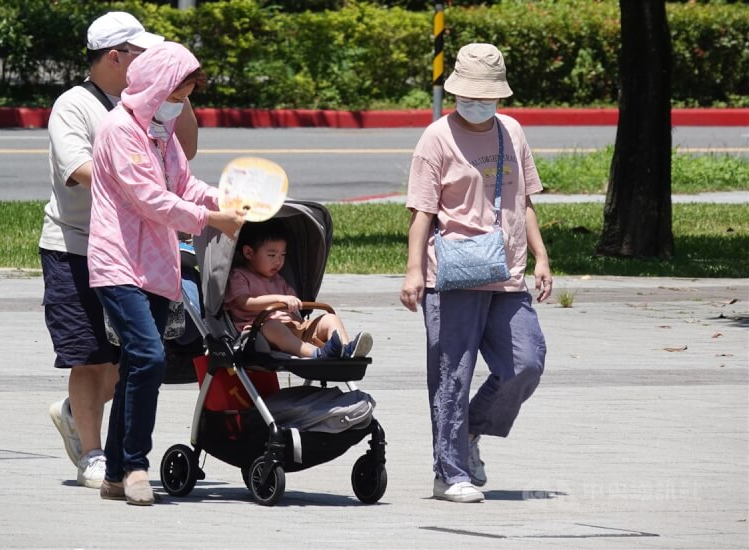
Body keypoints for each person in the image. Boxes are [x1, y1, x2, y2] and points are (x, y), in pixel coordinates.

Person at [40, 11, 201, 490]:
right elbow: (82, 169)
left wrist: (176, 92)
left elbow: (186, 154)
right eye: (142, 54)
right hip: (78, 243)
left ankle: (81, 418)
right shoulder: (74, 106)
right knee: (90, 355)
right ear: (116, 57)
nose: (150, 61)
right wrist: (143, 193)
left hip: (142, 249)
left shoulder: (152, 107)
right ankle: (93, 454)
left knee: (125, 363)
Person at [87, 41, 245, 506]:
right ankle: (136, 466)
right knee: (151, 358)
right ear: (157, 85)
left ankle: (116, 474)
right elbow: (148, 199)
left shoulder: (163, 131)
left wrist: (224, 199)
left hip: (156, 266)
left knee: (137, 365)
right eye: (180, 90)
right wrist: (210, 220)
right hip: (117, 263)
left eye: (190, 92)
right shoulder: (119, 129)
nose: (183, 100)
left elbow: (183, 185)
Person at [399, 43, 552, 504]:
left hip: (507, 272)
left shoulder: (512, 132)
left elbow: (523, 200)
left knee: (526, 363)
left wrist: (542, 257)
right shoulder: (436, 138)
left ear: (499, 96)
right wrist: (412, 273)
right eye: (469, 94)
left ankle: (468, 434)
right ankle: (449, 473)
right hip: (451, 274)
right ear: (455, 92)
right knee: (452, 375)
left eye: (486, 95)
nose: (477, 102)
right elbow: (421, 213)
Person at [224, 219, 373, 359]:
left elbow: (295, 304)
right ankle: (316, 353)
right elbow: (245, 302)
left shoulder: (278, 279)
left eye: (283, 255)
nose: (279, 261)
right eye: (272, 255)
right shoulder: (239, 276)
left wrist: (294, 304)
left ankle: (345, 350)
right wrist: (279, 299)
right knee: (274, 327)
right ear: (249, 253)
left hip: (294, 326)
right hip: (261, 331)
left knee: (330, 318)